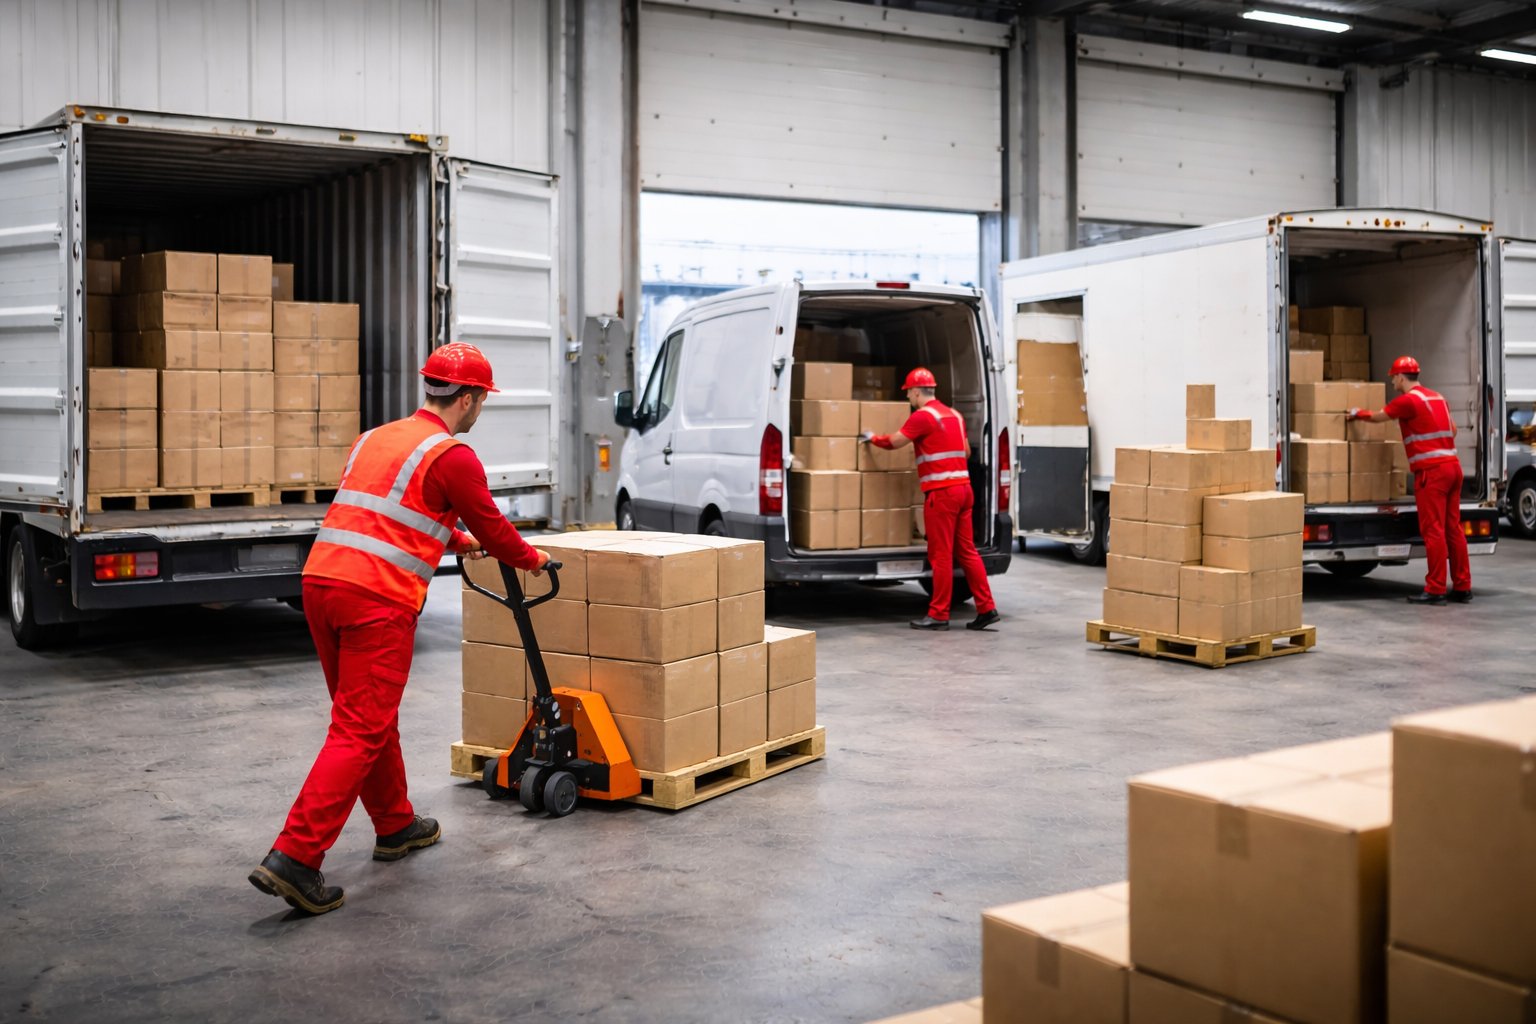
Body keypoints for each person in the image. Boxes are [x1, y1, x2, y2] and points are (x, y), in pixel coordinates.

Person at [250, 342, 549, 915]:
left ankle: (395, 825)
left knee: (365, 716)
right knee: (359, 728)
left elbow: (388, 511)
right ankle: (296, 856)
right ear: (467, 398)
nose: (481, 407)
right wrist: (533, 561)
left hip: (321, 585)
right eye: (482, 398)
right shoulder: (453, 456)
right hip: (376, 600)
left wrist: (452, 540)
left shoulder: (376, 438)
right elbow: (494, 528)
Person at [862, 367, 1000, 631]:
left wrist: (872, 439)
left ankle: (938, 614)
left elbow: (895, 442)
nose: (908, 399)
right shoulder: (955, 415)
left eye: (908, 394)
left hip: (942, 494)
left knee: (941, 556)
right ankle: (986, 608)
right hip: (964, 490)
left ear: (916, 391)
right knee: (968, 552)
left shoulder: (923, 416)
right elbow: (967, 451)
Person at [1348, 355, 1471, 605]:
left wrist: (1356, 413)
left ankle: (1435, 589)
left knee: (1433, 530)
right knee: (1453, 529)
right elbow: (1453, 430)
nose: (1392, 381)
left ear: (1401, 377)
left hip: (1432, 473)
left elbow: (1378, 416)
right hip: (1453, 468)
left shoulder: (1408, 401)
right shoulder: (1438, 398)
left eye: (1393, 377)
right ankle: (1462, 586)